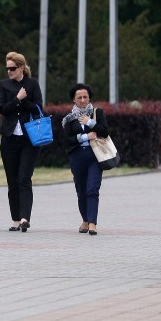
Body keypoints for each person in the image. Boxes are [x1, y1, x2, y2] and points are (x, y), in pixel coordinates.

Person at [0, 51, 43, 232]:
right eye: (7, 68)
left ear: (21, 68)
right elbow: (3, 109)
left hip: (29, 139)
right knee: (12, 181)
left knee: (24, 178)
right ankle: (15, 219)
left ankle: (25, 218)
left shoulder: (32, 84)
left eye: (13, 68)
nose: (9, 71)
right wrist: (17, 99)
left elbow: (39, 109)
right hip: (9, 139)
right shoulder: (3, 85)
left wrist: (24, 100)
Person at [62, 83, 108, 235]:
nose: (83, 100)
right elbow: (68, 140)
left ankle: (92, 223)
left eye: (85, 97)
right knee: (81, 191)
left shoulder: (97, 113)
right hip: (77, 157)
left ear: (89, 98)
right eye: (79, 97)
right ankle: (85, 219)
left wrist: (89, 122)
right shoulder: (69, 119)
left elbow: (104, 131)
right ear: (74, 100)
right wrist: (85, 136)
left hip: (95, 156)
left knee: (92, 189)